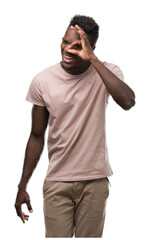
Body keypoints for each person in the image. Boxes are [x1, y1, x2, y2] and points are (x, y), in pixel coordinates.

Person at [14, 15, 135, 237]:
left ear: (91, 48)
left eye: (77, 46)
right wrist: (22, 186)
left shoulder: (106, 72)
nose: (68, 49)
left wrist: (94, 60)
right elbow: (36, 136)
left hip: (95, 181)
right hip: (57, 182)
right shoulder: (42, 80)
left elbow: (128, 101)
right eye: (65, 41)